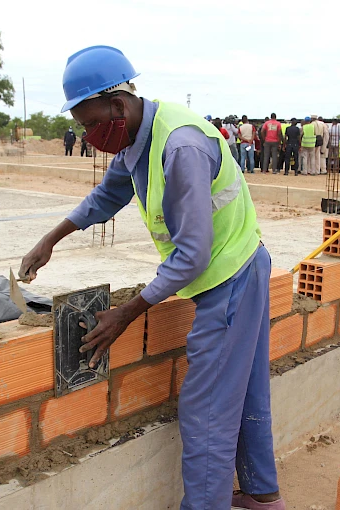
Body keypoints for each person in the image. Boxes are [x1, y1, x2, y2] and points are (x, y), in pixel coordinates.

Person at [19, 46, 285, 510]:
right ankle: (262, 497)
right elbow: (106, 197)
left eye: (89, 122)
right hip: (243, 267)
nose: (88, 133)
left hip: (230, 277)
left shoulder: (179, 147)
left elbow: (193, 255)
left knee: (206, 412)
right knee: (243, 392)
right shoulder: (137, 139)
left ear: (117, 106)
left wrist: (128, 312)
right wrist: (52, 237)